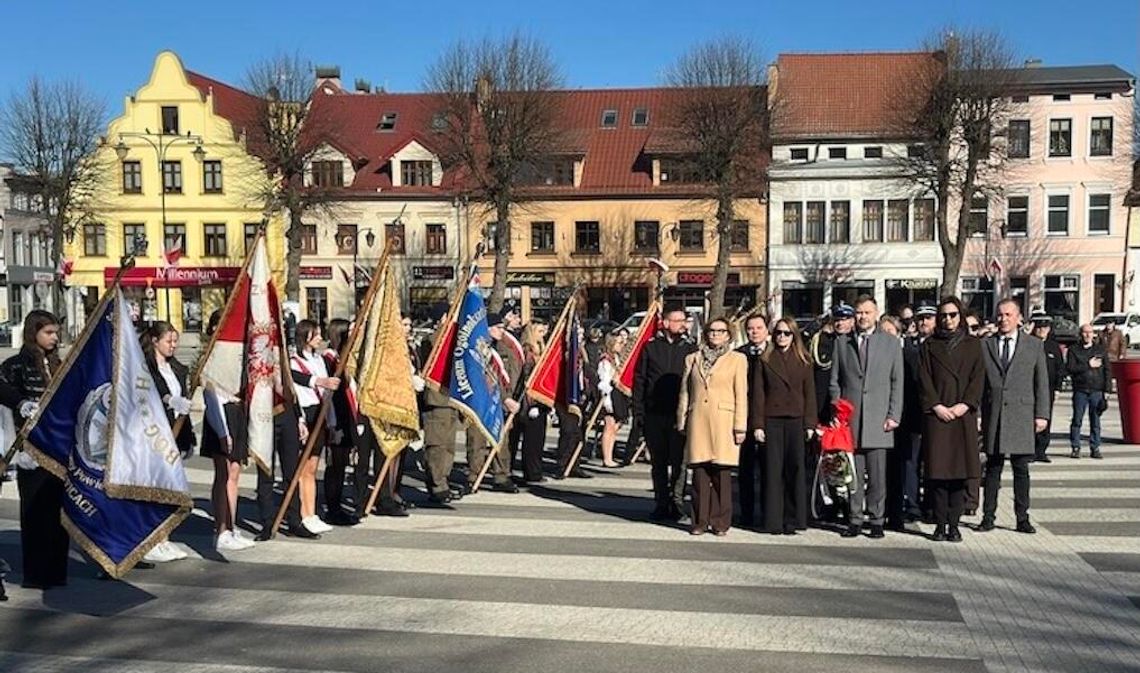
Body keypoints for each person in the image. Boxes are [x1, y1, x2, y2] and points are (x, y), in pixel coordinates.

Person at [0, 311, 69, 588]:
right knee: (35, 511)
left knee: (58, 512)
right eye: (48, 333)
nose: (54, 338)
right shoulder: (15, 365)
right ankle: (36, 573)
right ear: (34, 333)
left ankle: (56, 571)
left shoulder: (59, 364)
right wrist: (21, 403)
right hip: (31, 448)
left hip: (60, 447)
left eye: (55, 332)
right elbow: (2, 390)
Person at [830, 295, 904, 539]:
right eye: (859, 313)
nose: (862, 317)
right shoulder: (842, 342)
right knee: (852, 474)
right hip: (851, 419)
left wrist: (894, 414)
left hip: (878, 419)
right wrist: (837, 410)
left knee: (877, 476)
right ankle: (854, 519)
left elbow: (897, 381)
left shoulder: (890, 343)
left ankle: (877, 519)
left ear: (876, 313)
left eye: (867, 313)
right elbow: (835, 382)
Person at [979, 299, 1050, 535]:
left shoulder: (1033, 345)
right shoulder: (986, 345)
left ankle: (1022, 518)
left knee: (1021, 469)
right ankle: (988, 516)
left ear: (1019, 318)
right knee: (993, 468)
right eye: (1000, 315)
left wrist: (1042, 415)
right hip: (994, 413)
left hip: (1022, 414)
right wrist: (979, 414)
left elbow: (1041, 384)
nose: (1003, 319)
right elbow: (979, 384)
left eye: (1008, 314)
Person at [919, 297, 984, 542]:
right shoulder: (929, 345)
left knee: (958, 474)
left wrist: (964, 405)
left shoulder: (973, 345)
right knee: (937, 475)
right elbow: (923, 378)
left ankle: (954, 525)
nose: (948, 319)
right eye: (944, 315)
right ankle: (939, 524)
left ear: (961, 316)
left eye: (953, 314)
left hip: (961, 416)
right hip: (937, 416)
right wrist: (936, 405)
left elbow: (978, 379)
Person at [677, 317, 748, 536]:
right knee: (699, 474)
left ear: (729, 335)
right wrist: (681, 420)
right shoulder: (693, 359)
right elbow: (685, 392)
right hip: (698, 419)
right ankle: (699, 520)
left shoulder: (737, 359)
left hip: (724, 421)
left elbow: (741, 394)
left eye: (721, 331)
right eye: (712, 331)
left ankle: (720, 522)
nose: (715, 335)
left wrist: (740, 426)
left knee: (721, 475)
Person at [750, 318, 816, 535]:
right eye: (778, 333)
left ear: (794, 335)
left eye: (787, 333)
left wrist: (810, 424)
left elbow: (810, 395)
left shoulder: (804, 360)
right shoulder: (765, 359)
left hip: (796, 420)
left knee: (795, 470)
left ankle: (793, 519)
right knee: (772, 471)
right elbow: (758, 394)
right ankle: (773, 520)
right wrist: (758, 424)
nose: (782, 337)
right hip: (772, 420)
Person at [632, 305, 697, 521]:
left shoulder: (690, 349)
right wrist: (638, 413)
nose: (682, 324)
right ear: (666, 323)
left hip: (679, 416)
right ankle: (661, 502)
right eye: (677, 320)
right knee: (658, 463)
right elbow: (639, 381)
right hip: (655, 414)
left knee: (680, 463)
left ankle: (677, 502)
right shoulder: (650, 348)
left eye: (684, 321)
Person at [140, 321, 194, 562]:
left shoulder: (178, 369)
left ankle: (165, 537)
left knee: (171, 489)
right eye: (168, 341)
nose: (173, 345)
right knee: (156, 489)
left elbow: (184, 404)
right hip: (154, 435)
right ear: (155, 341)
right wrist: (168, 401)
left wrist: (188, 436)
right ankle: (152, 539)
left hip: (175, 435)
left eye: (175, 341)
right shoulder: (145, 368)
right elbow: (143, 397)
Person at [289, 320, 341, 533]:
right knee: (304, 468)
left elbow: (327, 391)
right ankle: (304, 512)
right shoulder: (293, 360)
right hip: (305, 413)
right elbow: (297, 382)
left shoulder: (319, 359)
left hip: (321, 411)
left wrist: (333, 421)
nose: (320, 338)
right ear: (306, 337)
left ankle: (312, 512)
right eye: (316, 334)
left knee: (313, 467)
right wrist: (319, 381)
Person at [465, 310, 522, 493]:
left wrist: (507, 398)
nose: (501, 331)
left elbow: (503, 378)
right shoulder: (477, 349)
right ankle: (474, 475)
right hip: (480, 401)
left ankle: (501, 476)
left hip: (498, 402)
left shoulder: (499, 348)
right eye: (497, 327)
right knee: (477, 440)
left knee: (501, 439)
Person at [895, 300, 936, 527]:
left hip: (934, 414)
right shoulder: (907, 347)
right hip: (911, 413)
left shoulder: (941, 345)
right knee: (910, 461)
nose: (923, 322)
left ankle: (930, 504)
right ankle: (912, 504)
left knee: (932, 461)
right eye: (920, 318)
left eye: (928, 318)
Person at [321, 318, 360, 525]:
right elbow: (329, 395)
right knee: (334, 465)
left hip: (346, 416)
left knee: (342, 464)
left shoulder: (341, 359)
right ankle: (332, 508)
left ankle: (337, 506)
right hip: (335, 417)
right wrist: (332, 424)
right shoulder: (329, 359)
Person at [734, 313, 769, 526]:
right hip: (744, 417)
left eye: (758, 328)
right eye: (750, 329)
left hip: (768, 418)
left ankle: (767, 512)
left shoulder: (776, 352)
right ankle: (746, 513)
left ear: (766, 329)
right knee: (745, 469)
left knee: (768, 468)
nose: (754, 332)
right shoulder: (739, 355)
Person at [1068, 323, 1112, 459]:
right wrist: (1087, 365)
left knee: (1095, 420)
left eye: (1090, 332)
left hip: (1096, 390)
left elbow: (1107, 370)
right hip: (1080, 389)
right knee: (1077, 419)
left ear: (1093, 334)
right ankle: (1075, 447)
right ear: (1080, 334)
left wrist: (1107, 389)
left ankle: (1095, 447)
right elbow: (1070, 368)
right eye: (1085, 332)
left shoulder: (1100, 350)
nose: (1087, 335)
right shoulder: (1074, 350)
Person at [1030, 314, 1066, 463]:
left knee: (1045, 418)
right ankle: (1030, 450)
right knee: (1030, 419)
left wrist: (1058, 388)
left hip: (1048, 389)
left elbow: (1059, 368)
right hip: (1030, 388)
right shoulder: (1028, 344)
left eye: (1044, 328)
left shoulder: (1053, 346)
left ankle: (1042, 450)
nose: (1042, 330)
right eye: (1039, 328)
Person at [518, 323, 550, 483]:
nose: (542, 334)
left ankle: (536, 469)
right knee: (531, 440)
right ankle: (531, 472)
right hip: (531, 403)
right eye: (539, 331)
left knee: (539, 439)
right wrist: (532, 403)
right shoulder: (528, 352)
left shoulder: (541, 350)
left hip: (542, 401)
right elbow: (527, 378)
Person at [597, 331, 630, 468]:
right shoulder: (605, 361)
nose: (622, 345)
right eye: (619, 343)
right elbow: (603, 382)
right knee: (609, 427)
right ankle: (607, 458)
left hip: (617, 394)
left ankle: (609, 455)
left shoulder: (617, 358)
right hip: (609, 396)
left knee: (615, 426)